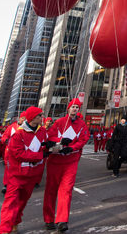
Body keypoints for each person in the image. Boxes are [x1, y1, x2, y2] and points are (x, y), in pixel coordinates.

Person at [0, 107, 50, 234]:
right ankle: (5, 229)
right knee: (10, 202)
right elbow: (18, 154)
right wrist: (40, 156)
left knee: (22, 201)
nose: (41, 118)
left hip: (32, 174)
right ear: (32, 117)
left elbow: (45, 145)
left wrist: (51, 147)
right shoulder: (18, 132)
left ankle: (15, 221)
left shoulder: (42, 131)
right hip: (17, 174)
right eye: (39, 115)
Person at [43, 97, 90, 232]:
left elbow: (83, 139)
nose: (75, 109)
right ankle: (48, 219)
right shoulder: (59, 122)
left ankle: (62, 220)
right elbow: (49, 137)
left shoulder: (82, 124)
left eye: (77, 107)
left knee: (66, 190)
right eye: (73, 107)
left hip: (71, 161)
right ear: (68, 108)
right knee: (51, 190)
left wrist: (73, 147)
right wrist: (60, 140)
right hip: (55, 161)